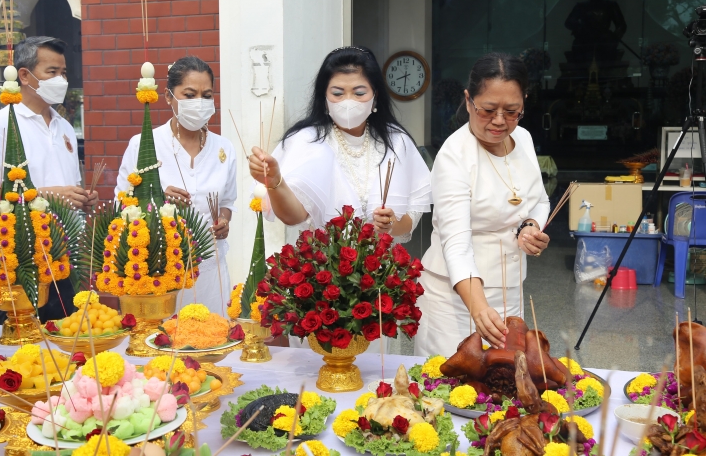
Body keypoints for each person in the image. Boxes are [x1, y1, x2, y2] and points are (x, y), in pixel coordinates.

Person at [415, 53, 550, 357]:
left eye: (512, 111)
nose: (500, 121)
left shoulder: (524, 140)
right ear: (468, 101)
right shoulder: (455, 156)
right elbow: (457, 245)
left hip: (510, 286)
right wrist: (478, 308)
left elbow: (540, 200)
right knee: (451, 387)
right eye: (488, 110)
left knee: (504, 381)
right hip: (457, 297)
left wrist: (531, 226)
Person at [0, 36, 97, 320]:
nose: (61, 80)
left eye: (63, 73)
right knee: (28, 351)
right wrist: (42, 194)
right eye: (52, 72)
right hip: (24, 260)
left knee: (68, 344)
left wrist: (80, 198)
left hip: (66, 253)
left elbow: (68, 187)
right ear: (24, 75)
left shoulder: (63, 126)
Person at [248, 46, 431, 242]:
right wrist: (276, 182)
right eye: (338, 93)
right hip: (322, 267)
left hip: (381, 267)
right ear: (324, 98)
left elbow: (410, 217)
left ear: (375, 96)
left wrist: (391, 224)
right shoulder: (305, 142)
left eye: (359, 93)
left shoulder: (397, 142)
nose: (348, 101)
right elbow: (294, 217)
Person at [116, 56, 237, 316]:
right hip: (160, 271)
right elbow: (120, 204)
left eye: (207, 95)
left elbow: (227, 202)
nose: (199, 103)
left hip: (210, 269)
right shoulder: (143, 144)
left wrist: (224, 222)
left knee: (211, 341)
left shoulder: (224, 148)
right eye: (190, 94)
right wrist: (156, 199)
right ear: (169, 97)